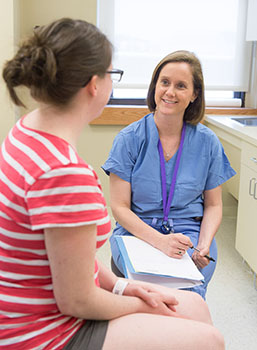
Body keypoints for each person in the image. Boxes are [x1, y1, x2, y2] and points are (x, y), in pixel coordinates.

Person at [0, 19, 225, 349]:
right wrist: (142, 305)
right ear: (94, 84)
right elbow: (77, 302)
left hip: (31, 303)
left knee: (196, 306)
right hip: (42, 331)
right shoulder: (66, 173)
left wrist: (124, 288)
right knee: (210, 340)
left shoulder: (25, 133)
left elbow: (70, 258)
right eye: (111, 74)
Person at [102, 50, 236, 300]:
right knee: (145, 295)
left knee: (187, 295)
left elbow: (214, 205)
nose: (170, 92)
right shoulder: (129, 140)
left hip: (189, 233)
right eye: (165, 82)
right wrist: (160, 241)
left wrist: (204, 244)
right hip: (137, 230)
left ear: (195, 94)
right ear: (155, 86)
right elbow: (119, 207)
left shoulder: (208, 142)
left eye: (181, 86)